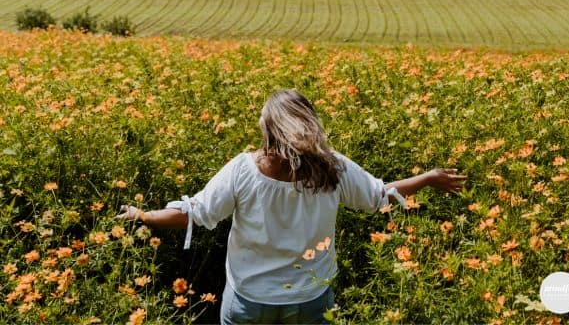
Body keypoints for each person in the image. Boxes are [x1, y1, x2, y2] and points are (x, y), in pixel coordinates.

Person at [117, 89, 467, 324]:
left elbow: (194, 213)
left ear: (268, 127)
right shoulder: (333, 167)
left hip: (250, 301)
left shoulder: (243, 169)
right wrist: (427, 177)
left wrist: (143, 215)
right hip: (310, 297)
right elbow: (379, 197)